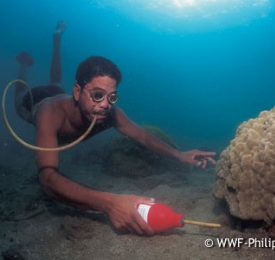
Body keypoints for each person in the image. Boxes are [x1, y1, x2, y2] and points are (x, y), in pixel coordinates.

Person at [14, 21, 216, 235]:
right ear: (78, 92)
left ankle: (56, 39)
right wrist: (109, 203)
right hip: (32, 101)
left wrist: (179, 155)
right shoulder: (49, 113)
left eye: (111, 97)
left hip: (58, 92)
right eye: (97, 95)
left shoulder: (111, 114)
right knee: (19, 97)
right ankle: (23, 67)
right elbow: (47, 179)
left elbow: (144, 137)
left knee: (55, 82)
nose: (105, 105)